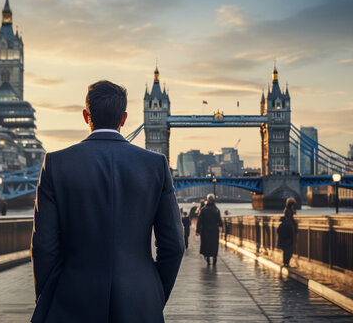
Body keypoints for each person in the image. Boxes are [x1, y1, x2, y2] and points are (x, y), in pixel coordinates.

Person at [31, 81, 184, 323]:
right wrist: (153, 293)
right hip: (140, 299)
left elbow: (43, 247)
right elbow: (174, 246)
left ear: (85, 116)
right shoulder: (156, 166)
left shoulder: (56, 164)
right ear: (123, 119)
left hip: (72, 299)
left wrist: (50, 297)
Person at [196, 193, 222, 266]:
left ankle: (207, 257)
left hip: (205, 230)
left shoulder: (203, 210)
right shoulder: (216, 210)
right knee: (214, 244)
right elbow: (219, 221)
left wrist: (197, 231)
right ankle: (214, 256)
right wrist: (220, 227)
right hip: (214, 230)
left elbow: (199, 221)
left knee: (206, 243)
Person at [278, 197, 298, 267]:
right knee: (288, 247)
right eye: (293, 205)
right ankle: (286, 262)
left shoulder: (287, 210)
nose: (294, 206)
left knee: (287, 248)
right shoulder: (288, 211)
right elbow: (290, 220)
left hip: (287, 230)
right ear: (291, 205)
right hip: (288, 231)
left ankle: (286, 262)